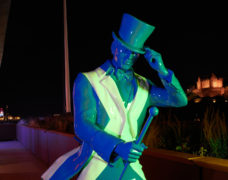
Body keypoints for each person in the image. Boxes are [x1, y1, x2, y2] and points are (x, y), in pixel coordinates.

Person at [41, 13, 187, 180]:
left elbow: (179, 100)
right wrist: (117, 147)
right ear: (113, 47)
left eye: (134, 53)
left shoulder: (144, 85)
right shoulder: (88, 80)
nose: (129, 56)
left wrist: (162, 70)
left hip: (130, 166)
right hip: (97, 163)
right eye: (124, 50)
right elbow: (82, 126)